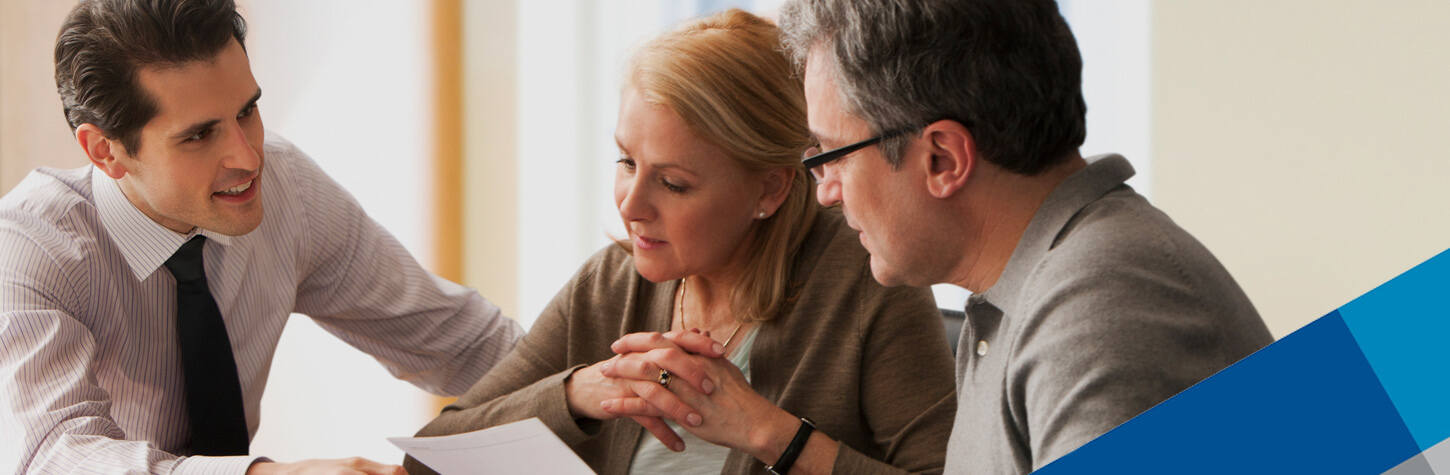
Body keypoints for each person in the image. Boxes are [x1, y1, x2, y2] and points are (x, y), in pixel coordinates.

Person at [408, 9, 955, 475]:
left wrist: (768, 433)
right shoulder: (610, 283)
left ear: (770, 188)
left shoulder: (870, 280)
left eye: (673, 183)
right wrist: (580, 393)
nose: (631, 206)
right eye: (627, 162)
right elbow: (431, 455)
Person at [0, 0, 524, 473]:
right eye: (200, 135)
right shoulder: (29, 246)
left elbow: (465, 344)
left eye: (247, 111)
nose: (249, 158)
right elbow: (57, 455)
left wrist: (569, 392)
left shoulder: (287, 187)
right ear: (105, 151)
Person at [777, 0, 1275, 472]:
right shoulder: (1029, 292)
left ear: (943, 159)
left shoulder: (1102, 306)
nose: (826, 192)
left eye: (834, 156)